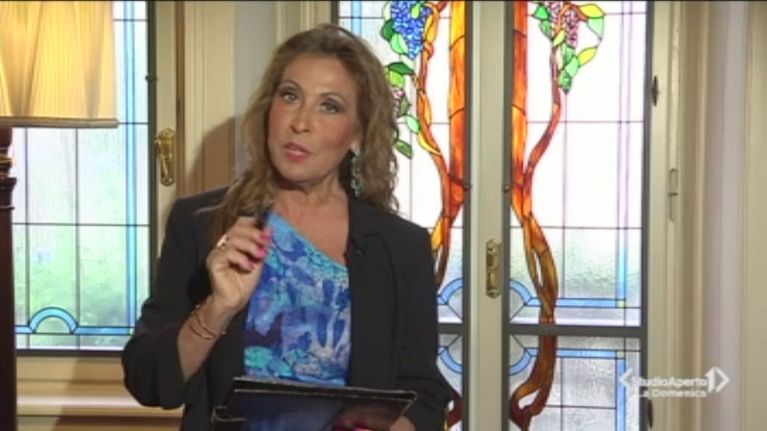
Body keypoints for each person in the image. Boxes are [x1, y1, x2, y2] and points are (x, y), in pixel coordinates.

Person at [121, 23, 452, 431]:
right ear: (269, 109)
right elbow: (150, 383)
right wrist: (217, 308)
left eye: (329, 106)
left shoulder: (401, 247)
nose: (300, 122)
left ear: (358, 134)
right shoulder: (201, 225)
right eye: (290, 96)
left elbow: (426, 397)